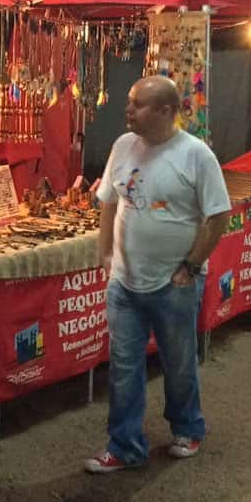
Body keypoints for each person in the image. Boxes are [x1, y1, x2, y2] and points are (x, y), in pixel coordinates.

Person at [85, 76, 230, 473]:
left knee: (178, 361)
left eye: (138, 104)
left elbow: (219, 216)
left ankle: (188, 427)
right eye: (129, 102)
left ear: (166, 111)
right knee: (124, 366)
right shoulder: (122, 146)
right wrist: (105, 254)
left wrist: (191, 266)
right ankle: (125, 446)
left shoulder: (196, 156)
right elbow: (109, 203)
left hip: (174, 283)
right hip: (124, 284)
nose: (128, 110)